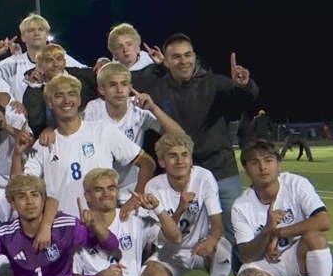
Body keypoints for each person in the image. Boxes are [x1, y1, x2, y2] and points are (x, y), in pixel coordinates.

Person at [132, 34, 258, 259]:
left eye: (188, 55)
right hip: (177, 174)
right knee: (170, 231)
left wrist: (244, 86)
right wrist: (102, 65)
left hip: (219, 168)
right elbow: (118, 79)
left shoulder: (213, 83)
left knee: (236, 229)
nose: (184, 61)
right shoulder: (155, 86)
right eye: (177, 56)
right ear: (166, 61)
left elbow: (243, 101)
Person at [17, 74, 156, 221]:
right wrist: (16, 155)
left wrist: (138, 195)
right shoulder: (44, 144)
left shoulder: (103, 130)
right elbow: (24, 185)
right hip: (64, 229)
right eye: (59, 96)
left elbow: (147, 162)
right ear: (49, 102)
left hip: (104, 227)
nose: (66, 101)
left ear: (79, 100)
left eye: (72, 94)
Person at [232, 140, 331, 276]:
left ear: (279, 164)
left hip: (298, 259)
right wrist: (267, 231)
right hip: (266, 264)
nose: (262, 167)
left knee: (315, 238)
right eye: (254, 162)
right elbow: (246, 255)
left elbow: (323, 221)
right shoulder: (241, 206)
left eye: (268, 160)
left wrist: (279, 232)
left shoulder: (296, 184)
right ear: (246, 170)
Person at [145, 133, 233, 276]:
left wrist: (211, 239)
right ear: (161, 161)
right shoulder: (153, 188)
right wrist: (179, 210)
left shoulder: (204, 177)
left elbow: (217, 222)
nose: (180, 161)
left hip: (198, 250)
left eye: (184, 155)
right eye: (172, 156)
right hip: (168, 252)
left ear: (191, 158)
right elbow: (170, 238)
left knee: (224, 248)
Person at [84, 61, 184, 201]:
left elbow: (180, 137)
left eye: (124, 84)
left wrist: (154, 108)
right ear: (101, 89)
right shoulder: (93, 110)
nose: (120, 90)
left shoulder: (138, 109)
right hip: (101, 189)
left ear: (130, 87)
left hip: (132, 187)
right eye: (113, 85)